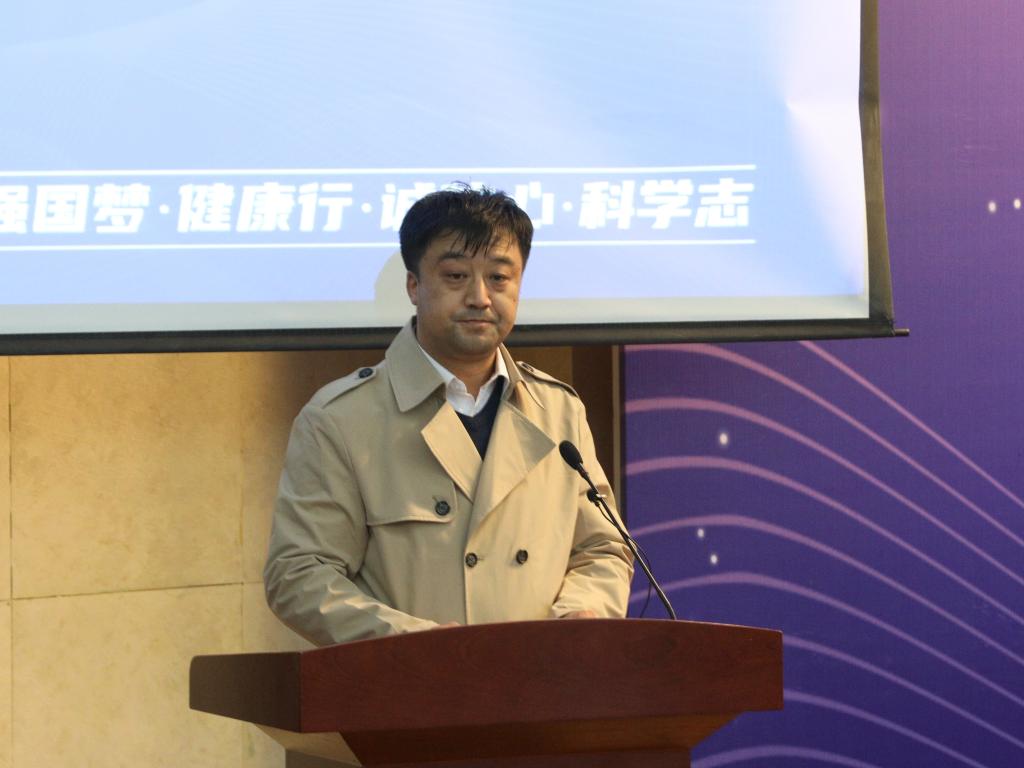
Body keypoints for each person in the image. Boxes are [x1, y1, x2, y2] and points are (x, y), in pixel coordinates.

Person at [263, 186, 633, 645]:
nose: (480, 297)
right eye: (456, 276)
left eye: (499, 278)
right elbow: (299, 574)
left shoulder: (558, 410)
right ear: (413, 285)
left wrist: (582, 613)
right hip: (414, 682)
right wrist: (416, 644)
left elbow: (602, 547)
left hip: (545, 678)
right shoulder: (340, 418)